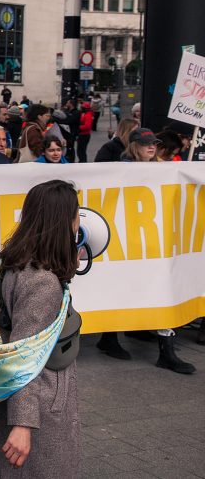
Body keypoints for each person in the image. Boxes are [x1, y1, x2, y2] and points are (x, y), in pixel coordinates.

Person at [0, 180, 82, 479]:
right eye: (76, 213)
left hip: (2, 393)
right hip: (36, 404)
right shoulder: (42, 281)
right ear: (63, 221)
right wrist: (23, 425)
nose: (79, 221)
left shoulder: (11, 260)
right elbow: (26, 356)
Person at [95, 128, 195, 373]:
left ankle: (166, 349)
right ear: (134, 145)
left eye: (154, 143)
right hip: (128, 238)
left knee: (163, 286)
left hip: (154, 238)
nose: (151, 147)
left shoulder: (162, 168)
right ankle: (109, 338)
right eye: (146, 143)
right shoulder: (121, 169)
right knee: (122, 286)